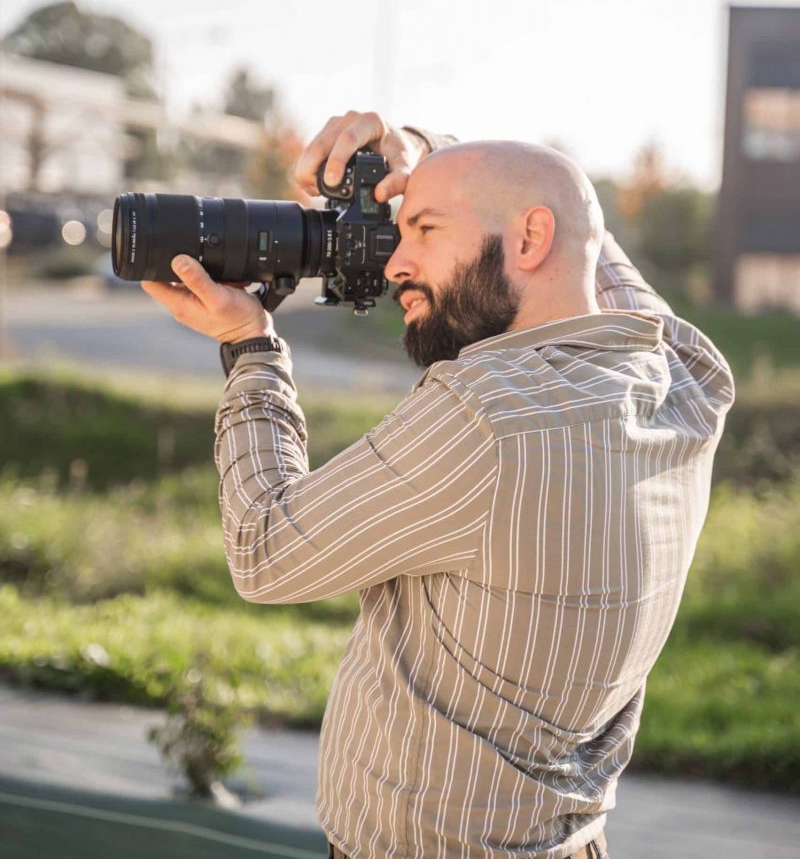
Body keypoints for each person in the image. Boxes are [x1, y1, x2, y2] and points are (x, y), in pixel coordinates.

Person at [143, 111, 735, 859]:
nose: (394, 264)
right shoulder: (687, 374)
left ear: (528, 240)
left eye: (423, 229)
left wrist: (249, 346)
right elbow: (586, 238)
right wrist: (426, 157)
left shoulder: (489, 413)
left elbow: (264, 552)